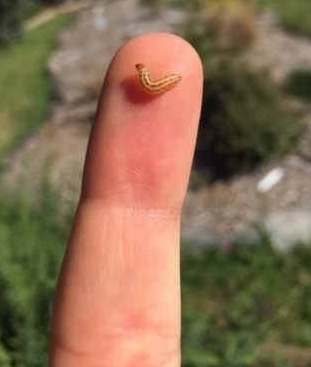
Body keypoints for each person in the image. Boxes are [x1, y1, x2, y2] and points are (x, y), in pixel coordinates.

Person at [48, 32, 204, 367]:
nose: (145, 78)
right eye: (144, 74)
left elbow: (150, 85)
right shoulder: (145, 81)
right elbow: (147, 85)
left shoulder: (153, 81)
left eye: (144, 74)